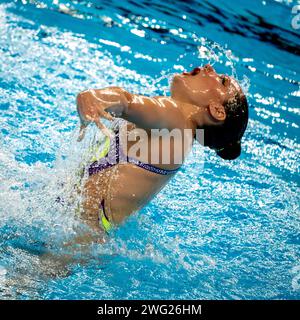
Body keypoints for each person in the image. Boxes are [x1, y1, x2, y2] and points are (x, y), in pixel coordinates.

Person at [75, 64, 249, 241]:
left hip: (76, 235)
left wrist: (93, 97)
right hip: (86, 233)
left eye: (222, 80)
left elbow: (125, 102)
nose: (209, 66)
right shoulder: (178, 133)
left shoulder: (177, 120)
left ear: (217, 110)